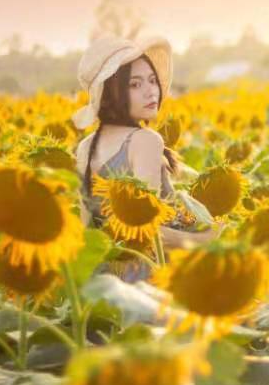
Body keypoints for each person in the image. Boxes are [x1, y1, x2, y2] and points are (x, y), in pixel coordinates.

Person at [72, 35, 209, 281]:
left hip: (107, 277)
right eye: (135, 84)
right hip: (152, 277)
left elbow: (87, 231)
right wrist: (211, 239)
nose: (150, 91)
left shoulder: (84, 147)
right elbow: (150, 233)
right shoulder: (145, 141)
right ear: (111, 93)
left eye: (152, 80)